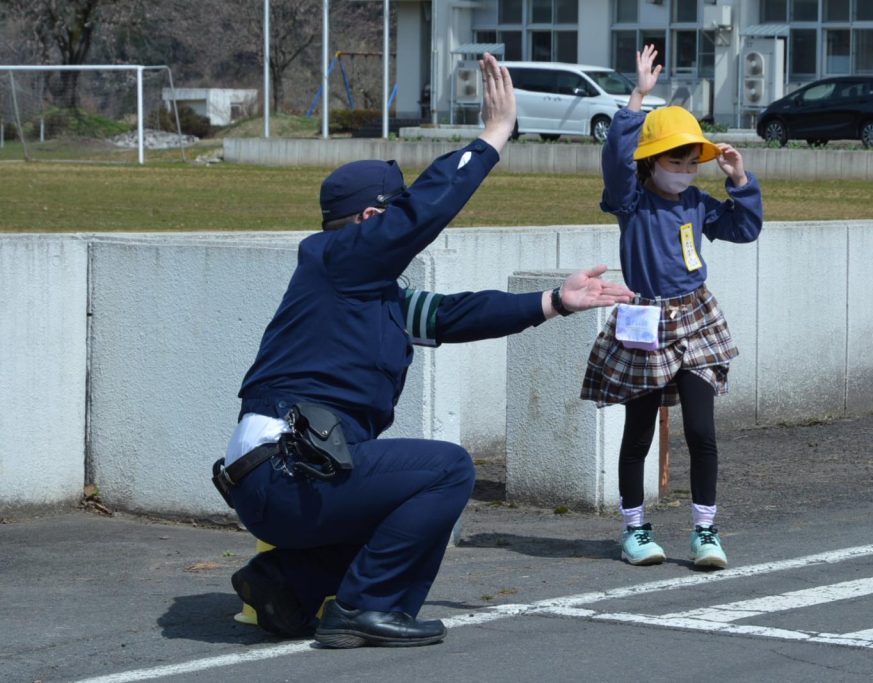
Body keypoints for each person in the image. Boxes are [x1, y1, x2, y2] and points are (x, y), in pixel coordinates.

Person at [213, 53, 634, 649]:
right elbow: (425, 210)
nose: (401, 225)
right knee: (447, 471)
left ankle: (288, 583)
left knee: (402, 498)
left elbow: (453, 315)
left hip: (285, 474)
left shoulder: (368, 293)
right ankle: (365, 608)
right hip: (286, 470)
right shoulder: (337, 259)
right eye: (393, 211)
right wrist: (492, 137)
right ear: (367, 219)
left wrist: (556, 301)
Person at [580, 45, 764, 569]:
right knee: (638, 431)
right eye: (674, 161)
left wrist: (739, 180)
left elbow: (744, 228)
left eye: (691, 163)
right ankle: (634, 529)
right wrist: (637, 97)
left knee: (702, 431)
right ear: (651, 162)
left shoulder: (697, 203)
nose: (684, 171)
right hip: (644, 318)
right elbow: (616, 159)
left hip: (697, 315)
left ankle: (705, 531)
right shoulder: (630, 201)